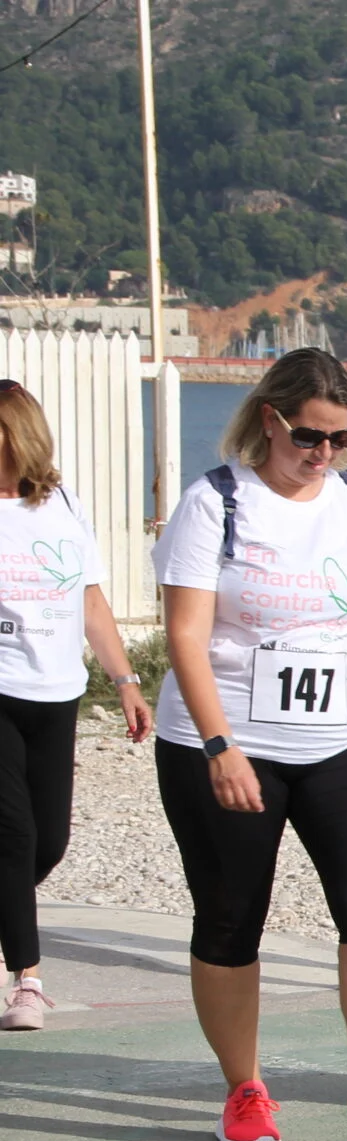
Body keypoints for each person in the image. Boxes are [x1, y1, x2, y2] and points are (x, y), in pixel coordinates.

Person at [152, 348, 347, 1141]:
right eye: (308, 438)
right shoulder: (213, 503)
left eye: (341, 438)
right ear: (270, 422)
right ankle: (244, 1091)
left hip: (341, 737)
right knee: (230, 918)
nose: (324, 454)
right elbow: (185, 635)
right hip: (224, 739)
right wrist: (220, 745)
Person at [0, 378, 154, 1031]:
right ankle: (28, 980)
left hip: (57, 689)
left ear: (18, 436)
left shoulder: (60, 502)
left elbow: (90, 599)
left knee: (51, 841)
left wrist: (124, 680)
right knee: (14, 834)